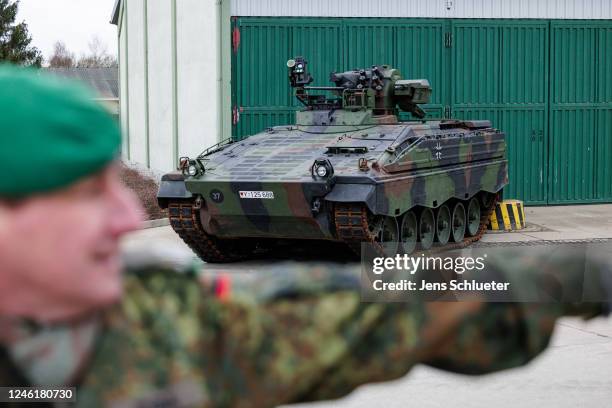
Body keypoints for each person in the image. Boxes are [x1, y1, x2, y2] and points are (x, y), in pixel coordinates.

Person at [0, 65, 609, 408]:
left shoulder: (147, 327)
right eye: (81, 193)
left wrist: (582, 274)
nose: (129, 219)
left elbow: (365, 305)